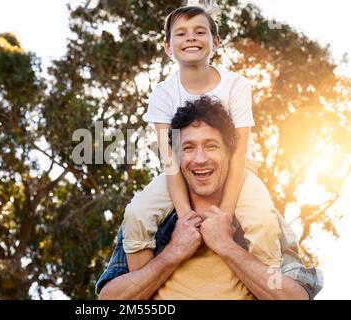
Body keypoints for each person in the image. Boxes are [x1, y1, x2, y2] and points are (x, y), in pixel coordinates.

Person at [96, 96, 323, 299]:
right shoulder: (153, 222)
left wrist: (227, 246)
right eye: (188, 148)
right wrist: (172, 254)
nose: (200, 158)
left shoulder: (259, 218)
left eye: (211, 146)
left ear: (229, 154)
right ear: (176, 158)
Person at [123, 4, 282, 275]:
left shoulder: (237, 86)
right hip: (181, 171)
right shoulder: (162, 94)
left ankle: (268, 285)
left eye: (200, 31)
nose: (191, 38)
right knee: (137, 213)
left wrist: (226, 215)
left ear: (215, 42)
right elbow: (170, 161)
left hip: (235, 169)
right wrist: (186, 216)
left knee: (264, 223)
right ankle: (144, 285)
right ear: (167, 47)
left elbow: (240, 153)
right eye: (181, 34)